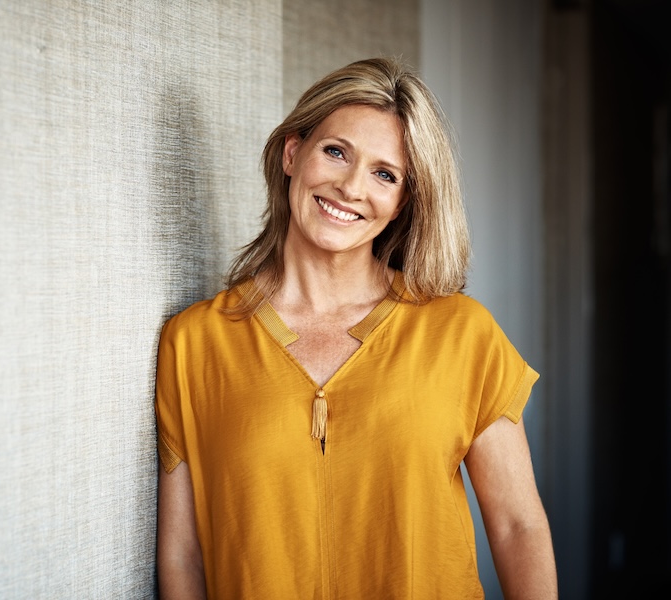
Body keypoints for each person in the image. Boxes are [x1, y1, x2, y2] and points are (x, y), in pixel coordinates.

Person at [154, 56, 558, 599]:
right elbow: (184, 558)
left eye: (384, 174)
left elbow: (517, 527)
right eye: (336, 151)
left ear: (402, 203)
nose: (350, 187)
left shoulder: (463, 335)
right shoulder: (195, 344)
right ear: (293, 154)